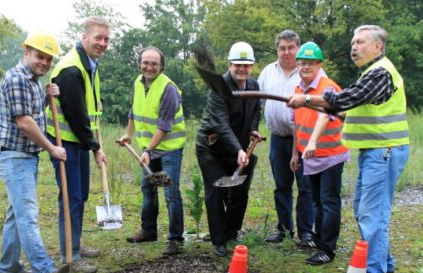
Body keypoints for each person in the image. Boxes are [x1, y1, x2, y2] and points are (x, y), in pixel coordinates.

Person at [288, 25, 410, 273]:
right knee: (370, 210)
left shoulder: (380, 73)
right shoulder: (371, 73)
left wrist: (307, 100)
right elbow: (349, 107)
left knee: (370, 212)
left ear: (377, 47)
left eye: (360, 42)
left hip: (384, 151)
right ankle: (384, 263)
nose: (353, 47)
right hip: (377, 151)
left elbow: (346, 99)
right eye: (353, 42)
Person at [0, 32, 70, 273]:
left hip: (24, 156)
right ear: (26, 52)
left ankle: (9, 267)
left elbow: (35, 114)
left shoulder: (33, 83)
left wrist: (48, 98)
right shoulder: (17, 79)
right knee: (27, 214)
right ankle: (45, 271)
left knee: (16, 214)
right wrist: (52, 148)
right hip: (15, 155)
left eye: (48, 59)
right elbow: (25, 123)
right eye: (40, 56)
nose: (44, 63)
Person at [45, 16, 110, 273]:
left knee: (80, 195)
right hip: (66, 142)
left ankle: (77, 246)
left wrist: (92, 143)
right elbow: (75, 114)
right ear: (85, 38)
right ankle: (69, 254)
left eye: (106, 39)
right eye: (98, 38)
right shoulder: (72, 69)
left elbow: (88, 109)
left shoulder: (90, 64)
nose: (103, 43)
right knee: (71, 196)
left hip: (78, 140)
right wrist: (95, 147)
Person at [196, 42, 263, 257]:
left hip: (239, 148)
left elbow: (255, 111)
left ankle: (231, 232)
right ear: (230, 64)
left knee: (239, 191)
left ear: (252, 66)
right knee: (216, 191)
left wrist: (253, 130)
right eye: (238, 65)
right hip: (212, 147)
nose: (242, 69)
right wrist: (238, 149)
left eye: (247, 65)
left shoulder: (253, 86)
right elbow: (221, 125)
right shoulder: (219, 87)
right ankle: (218, 240)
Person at [118, 46, 186, 256]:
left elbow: (164, 126)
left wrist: (148, 150)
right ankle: (148, 231)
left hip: (168, 150)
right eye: (146, 63)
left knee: (170, 194)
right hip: (150, 150)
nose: (149, 67)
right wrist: (128, 133)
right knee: (148, 190)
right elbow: (134, 111)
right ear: (140, 64)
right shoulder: (138, 83)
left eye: (154, 64)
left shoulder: (168, 89)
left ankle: (176, 239)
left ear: (161, 66)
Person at [290, 42, 349, 265]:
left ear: (319, 65)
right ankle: (318, 236)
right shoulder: (299, 89)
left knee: (328, 201)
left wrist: (313, 142)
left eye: (310, 64)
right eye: (302, 63)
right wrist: (296, 153)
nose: (305, 67)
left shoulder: (329, 87)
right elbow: (296, 122)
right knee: (316, 200)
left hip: (330, 154)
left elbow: (326, 114)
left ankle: (327, 249)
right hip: (309, 155)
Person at [257, 30, 315, 247]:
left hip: (304, 139)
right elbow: (258, 104)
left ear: (298, 49)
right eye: (283, 48)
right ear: (277, 50)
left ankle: (306, 232)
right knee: (281, 185)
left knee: (305, 185)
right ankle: (284, 228)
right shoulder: (267, 73)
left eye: (291, 47)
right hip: (278, 138)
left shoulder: (309, 72)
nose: (287, 52)